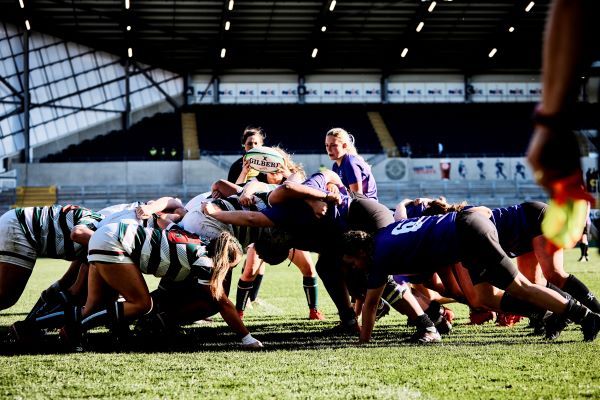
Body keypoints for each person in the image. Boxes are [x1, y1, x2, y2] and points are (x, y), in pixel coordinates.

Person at [341, 208, 600, 343]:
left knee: (519, 286)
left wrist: (364, 340)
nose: (353, 267)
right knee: (484, 297)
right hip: (465, 230)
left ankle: (585, 316)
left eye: (352, 261)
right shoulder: (386, 235)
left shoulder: (379, 256)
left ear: (361, 251)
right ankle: (549, 312)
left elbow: (373, 304)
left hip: (467, 233)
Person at [63, 221, 261, 350]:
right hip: (114, 242)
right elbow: (221, 302)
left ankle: (46, 327)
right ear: (224, 259)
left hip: (107, 235)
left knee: (94, 305)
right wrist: (247, 338)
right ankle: (74, 330)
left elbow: (167, 227)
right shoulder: (205, 261)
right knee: (141, 304)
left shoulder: (197, 244)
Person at [0, 205, 103, 313]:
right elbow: (78, 233)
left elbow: (69, 281)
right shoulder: (98, 224)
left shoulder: (98, 232)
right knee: (6, 297)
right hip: (20, 226)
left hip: (19, 222)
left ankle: (34, 320)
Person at [325, 128, 378, 200]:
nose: (329, 149)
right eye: (327, 145)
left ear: (344, 146)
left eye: (333, 145)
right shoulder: (335, 166)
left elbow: (357, 197)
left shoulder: (350, 163)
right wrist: (330, 184)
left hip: (366, 207)